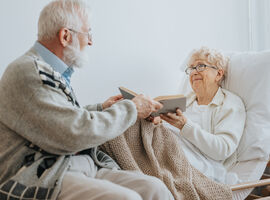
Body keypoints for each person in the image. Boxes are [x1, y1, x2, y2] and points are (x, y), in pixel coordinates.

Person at [0, 0, 174, 200]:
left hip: (74, 163)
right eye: (87, 33)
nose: (90, 42)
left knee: (155, 188)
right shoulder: (28, 71)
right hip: (41, 172)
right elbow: (73, 133)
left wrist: (102, 108)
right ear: (65, 36)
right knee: (127, 198)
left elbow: (58, 118)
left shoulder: (48, 70)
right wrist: (131, 108)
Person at [160, 47, 246, 184]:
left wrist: (184, 125)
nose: (194, 72)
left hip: (204, 165)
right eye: (191, 68)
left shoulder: (230, 104)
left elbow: (222, 149)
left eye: (200, 66)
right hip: (168, 152)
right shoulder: (184, 101)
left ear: (218, 74)